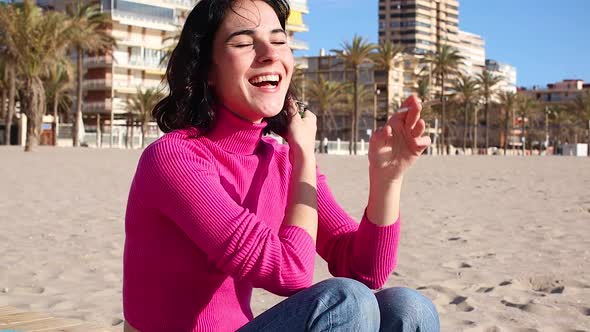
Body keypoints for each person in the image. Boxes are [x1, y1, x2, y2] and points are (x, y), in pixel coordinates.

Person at [123, 0, 439, 331]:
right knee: (347, 302)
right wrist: (302, 152)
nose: (269, 54)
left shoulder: (279, 159)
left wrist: (387, 179)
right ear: (208, 70)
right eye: (244, 43)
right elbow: (291, 272)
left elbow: (365, 269)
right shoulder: (174, 159)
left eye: (278, 40)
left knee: (409, 308)